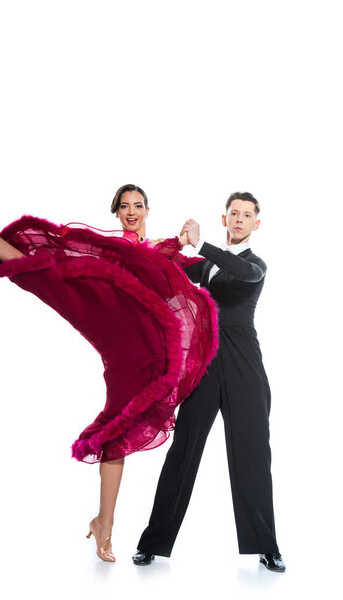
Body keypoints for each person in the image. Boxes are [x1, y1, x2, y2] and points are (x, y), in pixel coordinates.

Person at [0, 185, 218, 563]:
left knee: (119, 431)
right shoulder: (118, 247)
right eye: (124, 206)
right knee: (52, 275)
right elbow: (127, 258)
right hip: (107, 316)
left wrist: (185, 241)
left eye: (137, 206)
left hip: (144, 351)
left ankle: (103, 523)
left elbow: (176, 276)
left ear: (147, 210)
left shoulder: (156, 246)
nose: (131, 211)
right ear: (116, 212)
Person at [132, 192, 285, 573]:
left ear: (255, 224)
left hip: (244, 366)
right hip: (206, 362)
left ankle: (268, 546)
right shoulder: (209, 267)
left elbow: (238, 268)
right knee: (183, 451)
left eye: (246, 215)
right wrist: (156, 246)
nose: (239, 219)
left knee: (252, 454)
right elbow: (177, 267)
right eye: (234, 213)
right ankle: (153, 544)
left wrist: (200, 243)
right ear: (225, 217)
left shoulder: (255, 265)